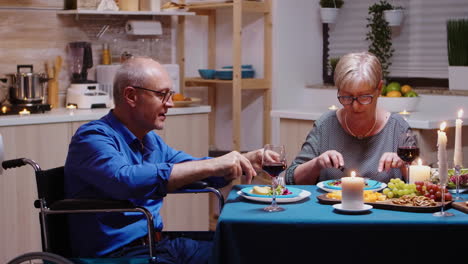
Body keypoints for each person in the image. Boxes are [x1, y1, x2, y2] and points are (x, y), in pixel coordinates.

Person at [64, 57, 263, 263]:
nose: (170, 103)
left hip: (159, 245)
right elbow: (125, 180)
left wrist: (241, 161)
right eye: (162, 95)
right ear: (131, 96)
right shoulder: (92, 137)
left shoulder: (150, 141)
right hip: (116, 256)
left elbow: (194, 170)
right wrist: (213, 164)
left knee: (245, 252)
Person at [285, 52, 410, 185]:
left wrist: (403, 166)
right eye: (347, 97)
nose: (355, 106)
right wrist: (316, 164)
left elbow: (422, 185)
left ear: (379, 89)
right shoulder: (325, 125)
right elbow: (291, 179)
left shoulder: (398, 128)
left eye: (364, 97)